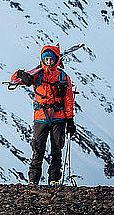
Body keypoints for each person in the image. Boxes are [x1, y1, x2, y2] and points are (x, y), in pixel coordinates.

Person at [13, 45, 76, 185]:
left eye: (51, 59)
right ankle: (33, 180)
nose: (48, 61)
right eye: (46, 59)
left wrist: (70, 119)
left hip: (58, 117)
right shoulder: (37, 74)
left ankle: (54, 179)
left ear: (56, 60)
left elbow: (68, 99)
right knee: (38, 148)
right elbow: (15, 79)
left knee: (56, 150)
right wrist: (20, 74)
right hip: (41, 116)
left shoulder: (62, 76)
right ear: (42, 59)